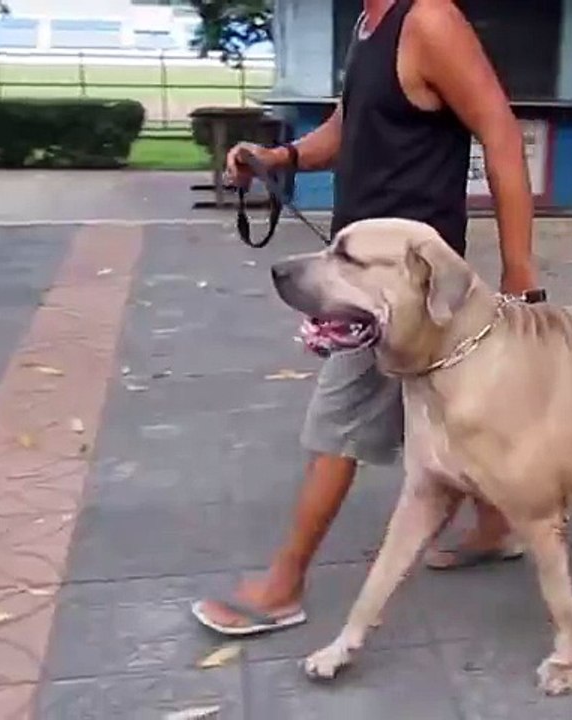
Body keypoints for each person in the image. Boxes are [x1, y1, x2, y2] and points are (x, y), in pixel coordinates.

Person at [192, 0, 539, 636]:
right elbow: (347, 128)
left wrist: (521, 271)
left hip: (402, 286)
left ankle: (283, 584)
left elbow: (500, 131)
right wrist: (280, 160)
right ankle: (495, 526)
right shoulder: (370, 22)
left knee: (339, 421)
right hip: (360, 263)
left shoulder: (429, 18)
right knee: (446, 408)